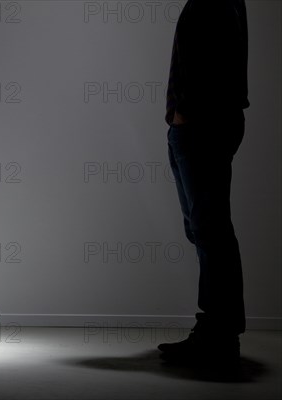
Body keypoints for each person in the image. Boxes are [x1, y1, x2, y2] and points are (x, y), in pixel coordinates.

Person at [159, 0, 249, 364]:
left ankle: (218, 336)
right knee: (206, 231)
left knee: (211, 232)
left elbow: (208, 61)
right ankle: (216, 331)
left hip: (202, 126)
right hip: (203, 123)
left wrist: (184, 111)